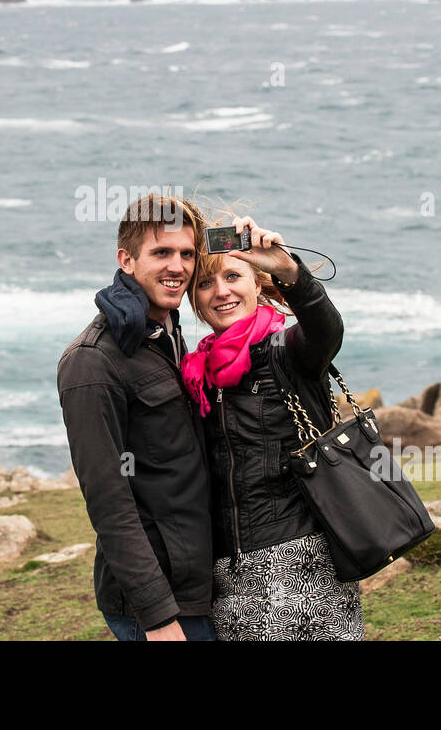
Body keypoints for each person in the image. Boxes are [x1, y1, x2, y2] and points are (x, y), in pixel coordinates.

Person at [181, 213, 364, 640]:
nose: (221, 291)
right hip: (230, 575)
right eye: (205, 283)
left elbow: (326, 328)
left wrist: (287, 269)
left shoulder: (287, 350)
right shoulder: (196, 373)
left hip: (306, 567)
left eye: (233, 275)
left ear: (257, 283)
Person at [57, 193, 215, 641]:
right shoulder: (91, 362)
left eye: (187, 254)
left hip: (196, 584)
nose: (178, 266)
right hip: (158, 605)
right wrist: (159, 619)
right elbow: (110, 505)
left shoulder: (164, 331)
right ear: (126, 259)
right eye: (162, 252)